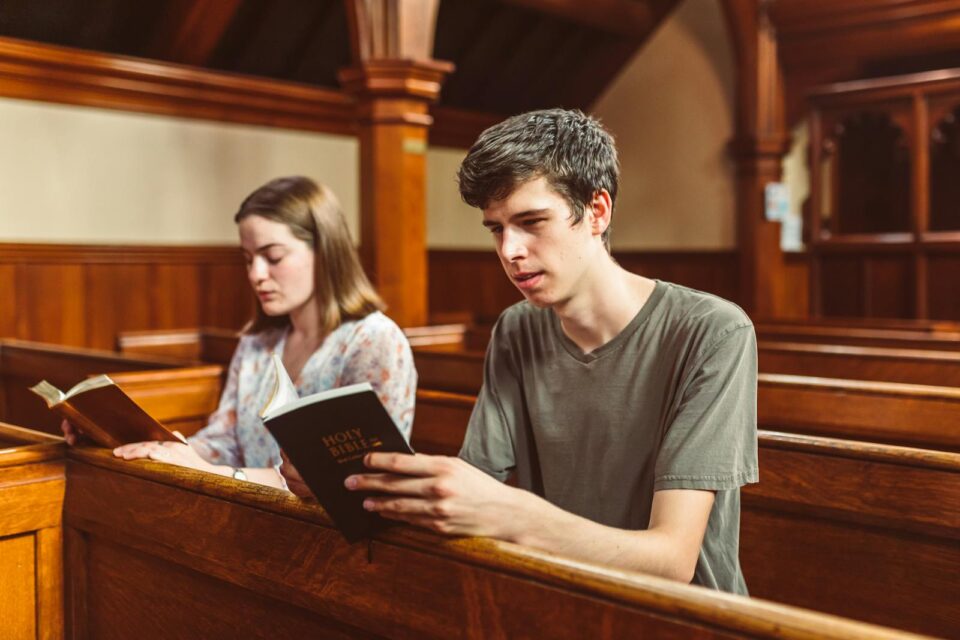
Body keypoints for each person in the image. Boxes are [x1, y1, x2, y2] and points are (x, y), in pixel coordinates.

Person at [344, 109, 758, 594]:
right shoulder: (517, 329)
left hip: (687, 620)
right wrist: (360, 491)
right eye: (496, 228)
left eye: (531, 221)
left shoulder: (713, 331)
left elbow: (671, 560)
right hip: (561, 604)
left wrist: (511, 513)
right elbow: (473, 490)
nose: (510, 250)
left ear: (597, 212)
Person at [65, 176, 417, 491]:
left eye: (273, 257)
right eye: (248, 259)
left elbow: (352, 479)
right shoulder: (257, 342)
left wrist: (212, 472)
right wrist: (154, 446)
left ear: (325, 253)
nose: (256, 274)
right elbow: (226, 440)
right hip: (246, 513)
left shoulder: (373, 341)